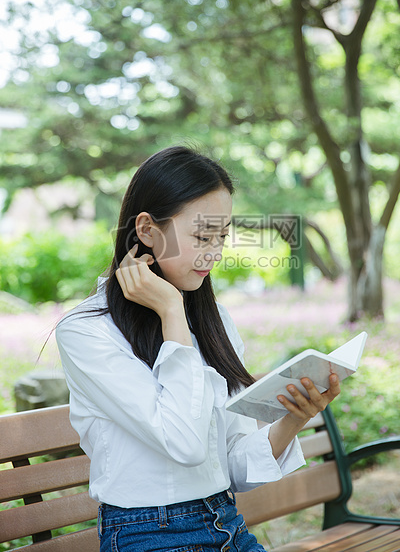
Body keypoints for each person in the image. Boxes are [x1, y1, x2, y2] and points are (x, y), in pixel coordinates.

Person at [56, 145, 340, 552]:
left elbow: (236, 467)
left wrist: (294, 418)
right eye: (201, 235)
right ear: (147, 230)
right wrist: (171, 309)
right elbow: (185, 444)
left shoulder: (214, 319)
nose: (215, 251)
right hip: (149, 535)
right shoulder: (87, 331)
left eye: (222, 236)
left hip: (227, 525)